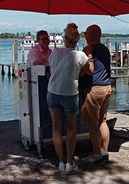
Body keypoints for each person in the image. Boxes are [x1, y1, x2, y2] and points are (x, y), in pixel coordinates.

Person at [47, 23, 93, 172]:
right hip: (70, 94)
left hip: (53, 92)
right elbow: (90, 71)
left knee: (56, 128)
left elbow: (54, 70)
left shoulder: (54, 53)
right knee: (71, 129)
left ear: (65, 39)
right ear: (77, 40)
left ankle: (61, 161)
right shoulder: (81, 55)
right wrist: (90, 57)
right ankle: (69, 163)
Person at [79, 24, 112, 165]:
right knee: (102, 121)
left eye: (86, 33)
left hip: (95, 89)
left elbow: (86, 69)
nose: (85, 36)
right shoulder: (105, 49)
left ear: (91, 35)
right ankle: (104, 151)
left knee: (92, 124)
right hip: (107, 87)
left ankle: (96, 154)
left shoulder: (89, 50)